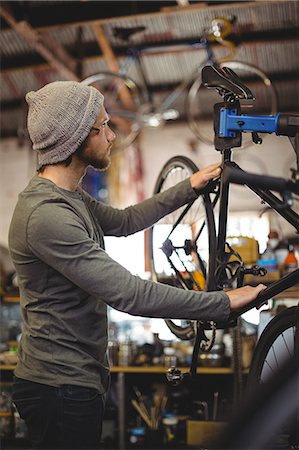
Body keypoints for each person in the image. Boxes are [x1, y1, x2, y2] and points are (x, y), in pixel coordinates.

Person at [8, 81, 265, 450]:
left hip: (74, 381)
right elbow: (129, 294)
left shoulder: (69, 198)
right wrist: (221, 302)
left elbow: (125, 221)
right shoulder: (46, 215)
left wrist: (188, 187)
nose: (112, 136)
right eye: (103, 127)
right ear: (78, 138)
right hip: (59, 388)